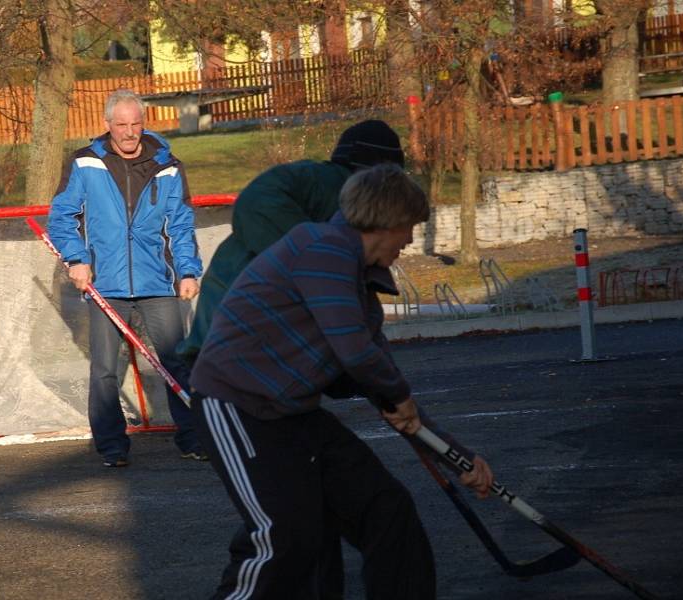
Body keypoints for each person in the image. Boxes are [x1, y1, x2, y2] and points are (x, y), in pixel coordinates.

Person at [189, 164, 494, 599]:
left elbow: (385, 388)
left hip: (294, 413)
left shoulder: (359, 286)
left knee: (387, 510)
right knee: (283, 537)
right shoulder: (321, 247)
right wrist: (397, 394)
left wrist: (461, 459)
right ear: (387, 221)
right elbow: (358, 355)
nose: (409, 240)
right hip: (237, 405)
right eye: (408, 227)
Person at [48, 89, 206, 467]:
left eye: (136, 124)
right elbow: (61, 217)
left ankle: (193, 439)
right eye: (121, 125)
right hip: (106, 285)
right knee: (105, 369)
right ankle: (112, 448)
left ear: (143, 123)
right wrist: (77, 260)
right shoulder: (85, 163)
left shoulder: (168, 166)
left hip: (159, 284)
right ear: (107, 125)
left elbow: (181, 225)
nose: (130, 132)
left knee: (176, 362)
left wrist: (187, 270)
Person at [177, 119, 406, 362]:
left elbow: (361, 312)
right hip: (230, 330)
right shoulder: (333, 187)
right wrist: (307, 257)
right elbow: (255, 200)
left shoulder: (340, 205)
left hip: (234, 328)